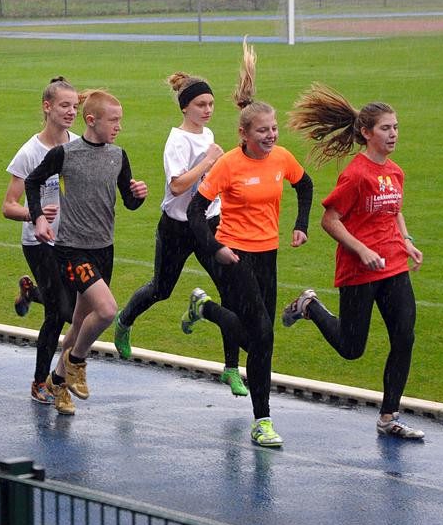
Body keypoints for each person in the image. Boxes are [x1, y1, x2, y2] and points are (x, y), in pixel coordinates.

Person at [185, 40, 313, 447]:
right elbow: (194, 212)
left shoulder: (281, 159)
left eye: (273, 129)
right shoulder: (228, 165)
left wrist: (300, 225)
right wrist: (215, 249)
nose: (271, 136)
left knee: (261, 337)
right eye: (263, 131)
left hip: (267, 255)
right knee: (261, 336)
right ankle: (263, 420)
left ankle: (205, 308)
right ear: (243, 133)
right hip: (233, 255)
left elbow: (305, 185)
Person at [282, 83, 425, 439]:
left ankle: (389, 416)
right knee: (351, 349)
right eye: (385, 128)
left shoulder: (395, 171)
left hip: (393, 266)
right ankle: (309, 305)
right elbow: (330, 220)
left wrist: (406, 241)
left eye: (396, 127)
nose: (393, 134)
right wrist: (362, 250)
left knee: (404, 337)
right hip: (359, 270)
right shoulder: (356, 174)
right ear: (366, 132)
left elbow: (395, 211)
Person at [112, 72, 247, 396]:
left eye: (212, 104)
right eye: (201, 104)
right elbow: (177, 185)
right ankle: (124, 321)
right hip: (176, 226)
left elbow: (211, 181)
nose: (208, 109)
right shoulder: (177, 141)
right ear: (185, 107)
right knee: (161, 289)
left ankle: (231, 369)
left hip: (208, 224)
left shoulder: (209, 134)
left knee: (231, 293)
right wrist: (210, 160)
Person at [25, 89, 147, 415]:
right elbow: (32, 181)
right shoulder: (66, 154)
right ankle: (77, 361)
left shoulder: (118, 156)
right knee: (106, 311)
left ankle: (57, 383)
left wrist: (138, 195)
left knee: (79, 324)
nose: (119, 126)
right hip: (72, 250)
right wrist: (37, 216)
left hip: (104, 249)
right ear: (91, 120)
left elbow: (129, 202)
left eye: (120, 120)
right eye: (113, 120)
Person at [2, 77, 80, 404]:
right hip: (39, 243)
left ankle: (32, 293)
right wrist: (34, 216)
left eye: (75, 106)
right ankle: (40, 382)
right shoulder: (30, 152)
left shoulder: (78, 145)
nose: (71, 112)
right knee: (59, 312)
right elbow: (9, 205)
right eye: (65, 106)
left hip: (71, 242)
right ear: (47, 107)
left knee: (75, 312)